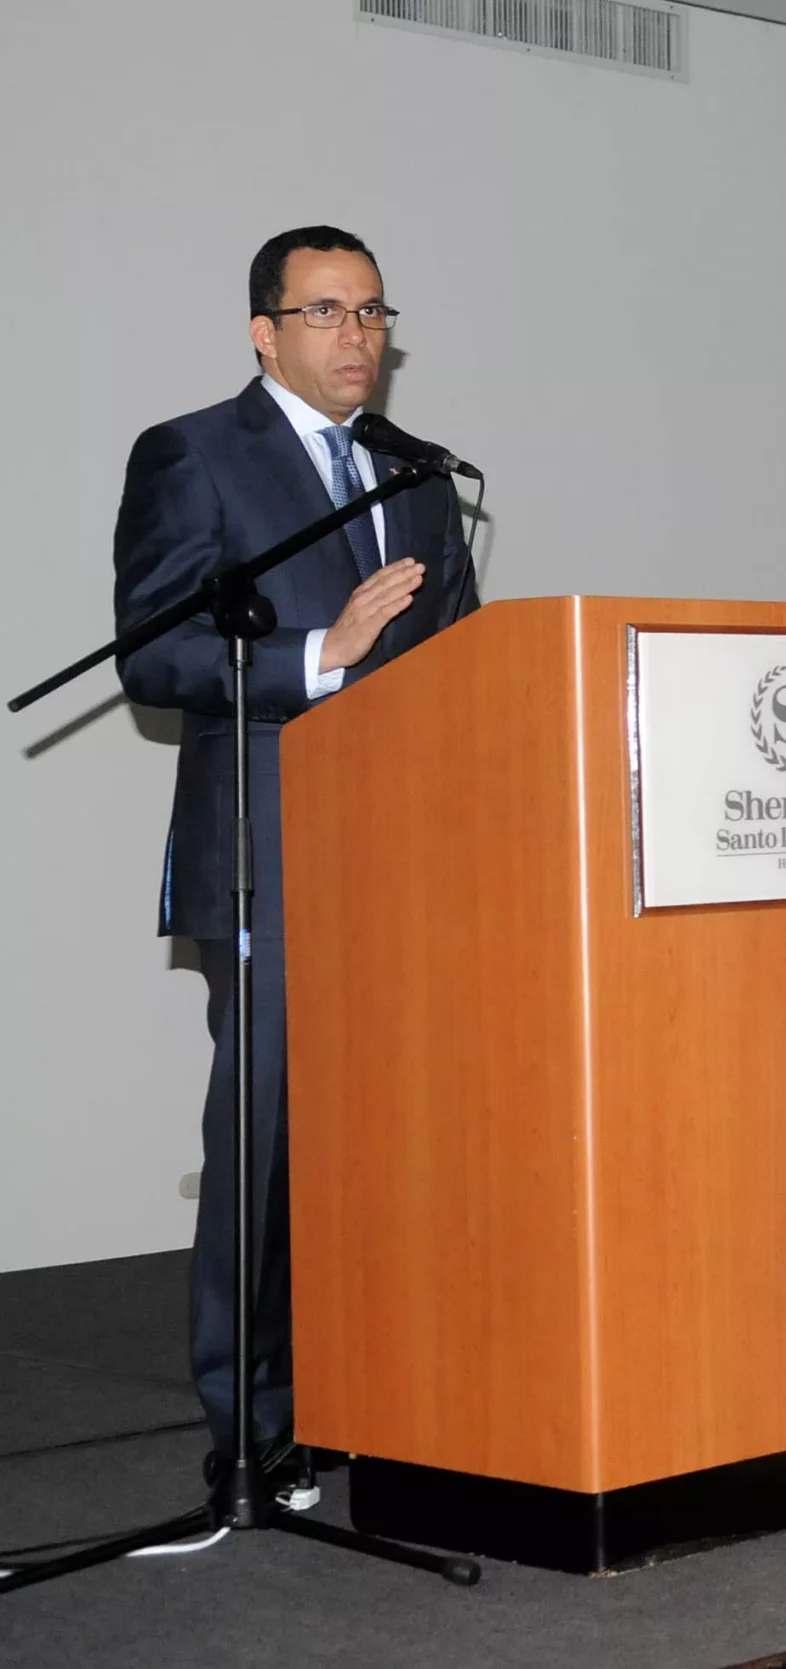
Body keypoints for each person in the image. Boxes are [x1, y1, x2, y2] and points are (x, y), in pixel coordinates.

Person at [113, 227, 480, 1497]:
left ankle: (378, 1384)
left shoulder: (414, 475)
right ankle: (256, 1419)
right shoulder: (195, 453)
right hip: (267, 849)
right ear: (265, 332)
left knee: (398, 1138)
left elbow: (460, 660)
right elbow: (156, 658)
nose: (356, 338)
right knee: (270, 1140)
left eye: (373, 313)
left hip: (403, 861)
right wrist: (323, 650)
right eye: (325, 313)